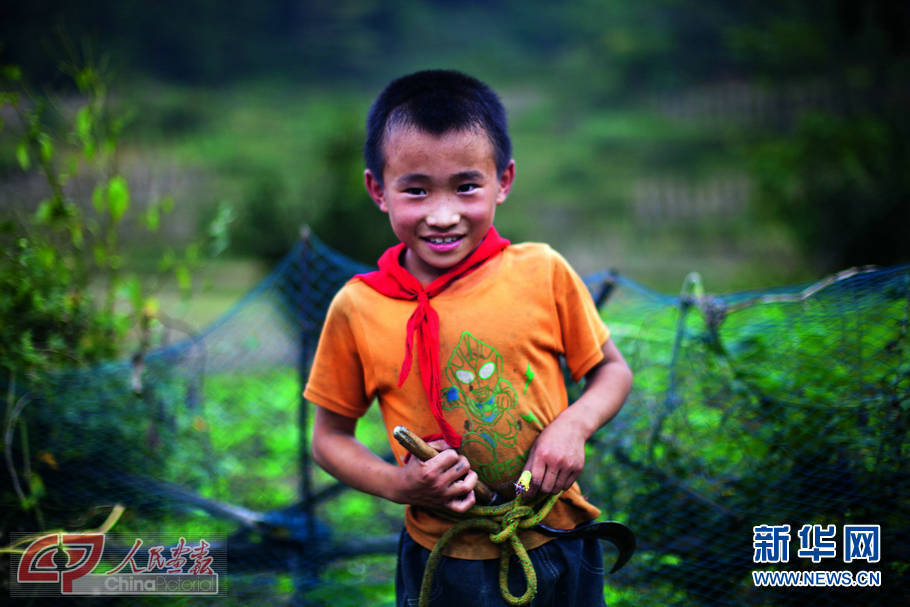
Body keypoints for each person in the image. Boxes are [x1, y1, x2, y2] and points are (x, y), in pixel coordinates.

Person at [304, 69, 633, 606]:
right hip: (445, 556)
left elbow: (611, 371)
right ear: (377, 190)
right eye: (415, 189)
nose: (442, 215)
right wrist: (399, 485)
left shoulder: (541, 272)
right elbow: (328, 438)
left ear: (503, 180)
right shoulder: (359, 307)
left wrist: (574, 424)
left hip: (559, 536)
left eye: (466, 186)